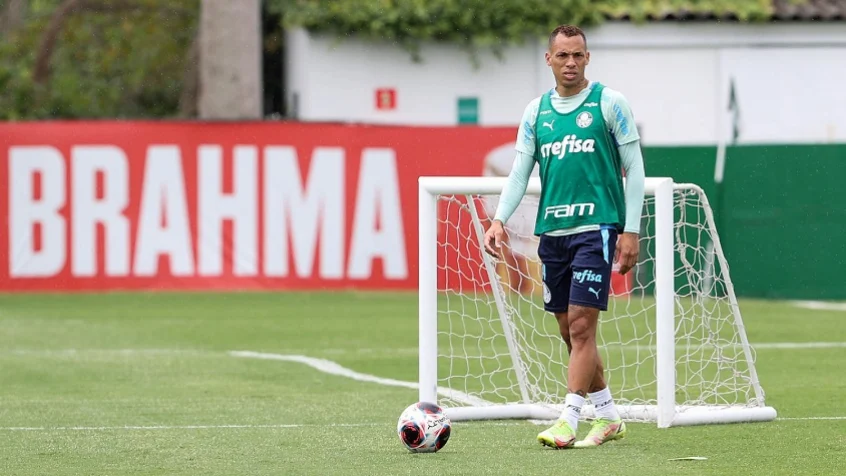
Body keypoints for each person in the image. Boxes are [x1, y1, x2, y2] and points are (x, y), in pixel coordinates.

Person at [483, 24, 646, 449]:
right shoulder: (536, 112)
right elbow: (520, 172)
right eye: (562, 55)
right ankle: (608, 416)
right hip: (552, 233)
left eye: (577, 55)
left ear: (587, 58)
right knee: (568, 332)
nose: (570, 62)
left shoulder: (609, 103)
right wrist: (499, 220)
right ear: (549, 59)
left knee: (581, 326)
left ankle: (568, 420)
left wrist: (630, 229)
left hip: (597, 229)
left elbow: (634, 169)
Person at [481, 143, 540, 296]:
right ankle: (506, 286)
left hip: (533, 208)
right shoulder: (499, 158)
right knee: (507, 246)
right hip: (511, 207)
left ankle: (523, 286)